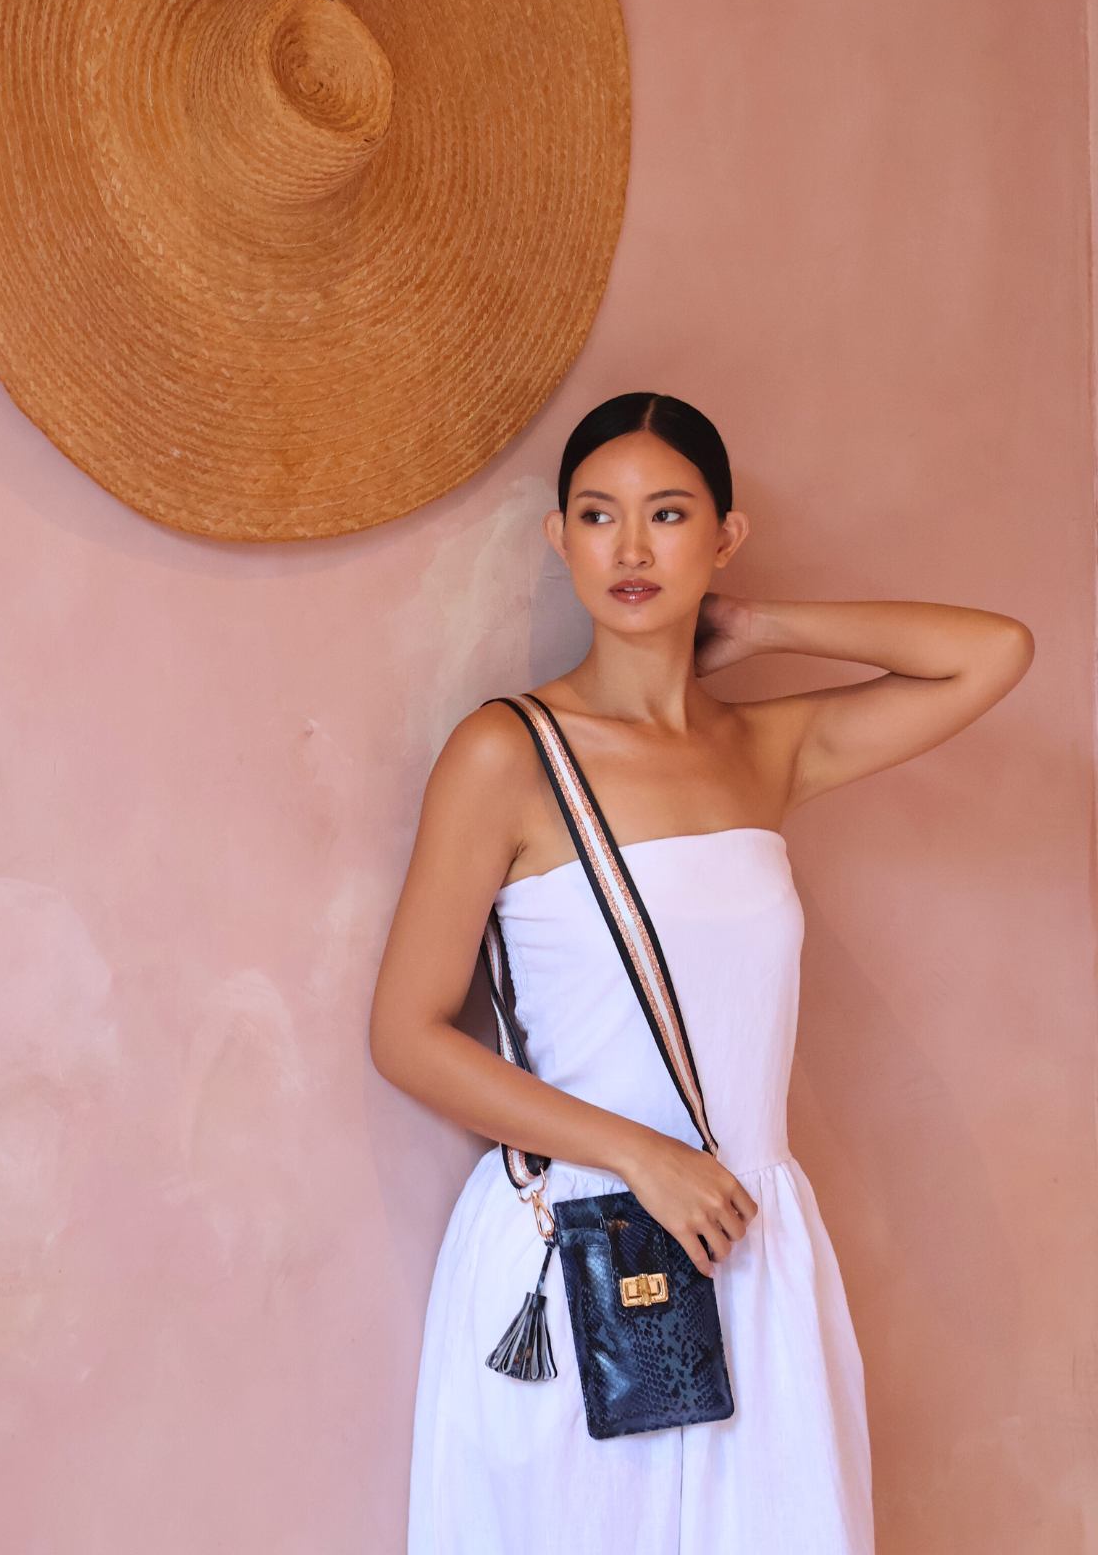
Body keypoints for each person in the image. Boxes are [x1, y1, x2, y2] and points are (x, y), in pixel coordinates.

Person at [369, 391, 1034, 1554]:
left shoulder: (760, 748)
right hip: (581, 1254)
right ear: (559, 537)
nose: (629, 548)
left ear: (725, 535)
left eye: (668, 514)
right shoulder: (504, 754)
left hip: (745, 1239)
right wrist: (642, 1155)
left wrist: (762, 626)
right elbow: (407, 1032)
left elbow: (994, 653)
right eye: (597, 515)